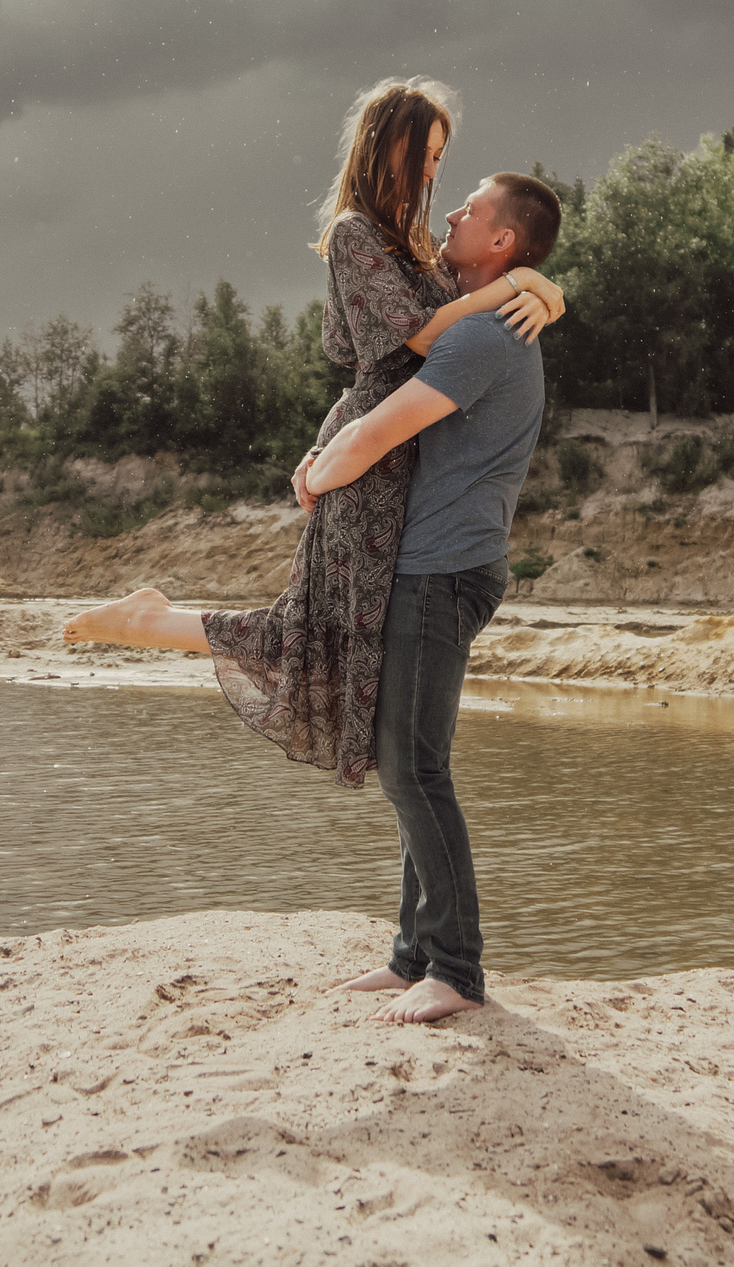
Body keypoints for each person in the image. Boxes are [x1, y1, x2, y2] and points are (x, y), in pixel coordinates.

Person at [62, 80, 562, 801]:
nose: (434, 173)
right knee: (317, 633)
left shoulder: (419, 247)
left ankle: (153, 619)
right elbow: (421, 339)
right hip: (370, 457)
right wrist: (517, 285)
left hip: (385, 451)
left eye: (440, 158)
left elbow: (475, 298)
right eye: (426, 154)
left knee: (325, 633)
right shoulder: (355, 233)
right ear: (389, 147)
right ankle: (150, 621)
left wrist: (541, 285)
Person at [306, 168, 562, 1023]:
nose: (450, 211)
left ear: (503, 241)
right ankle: (413, 954)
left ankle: (455, 967)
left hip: (443, 568)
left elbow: (379, 431)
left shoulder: (486, 334)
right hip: (442, 564)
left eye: (471, 208)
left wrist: (314, 475)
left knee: (413, 768)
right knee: (411, 764)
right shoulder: (488, 315)